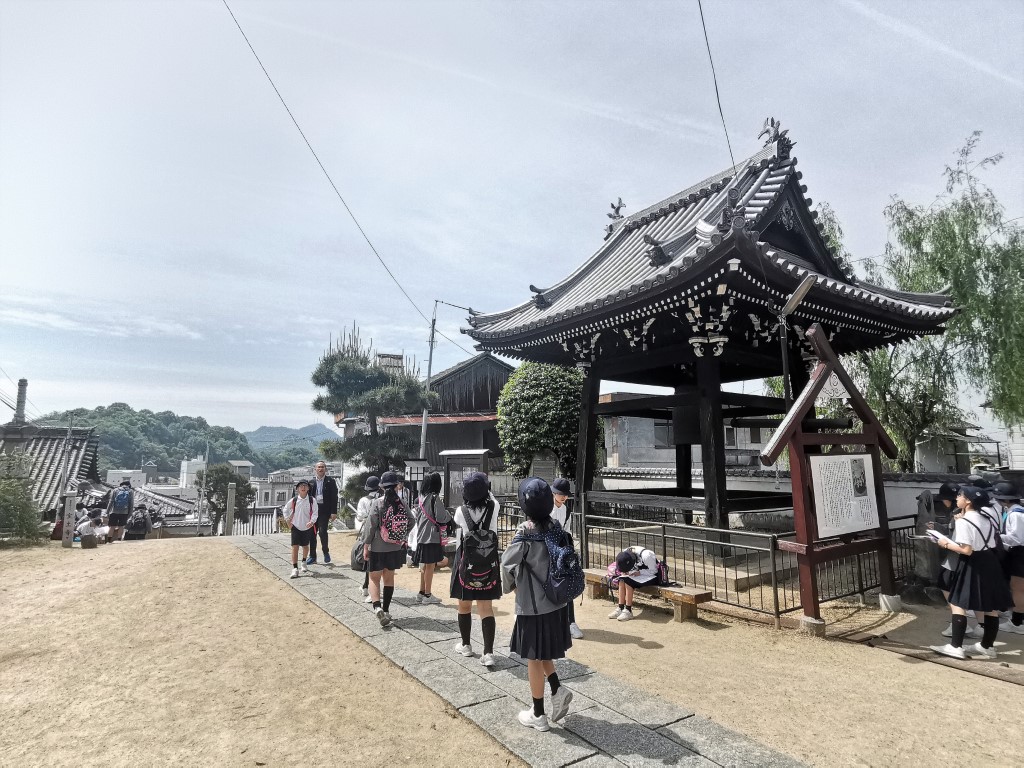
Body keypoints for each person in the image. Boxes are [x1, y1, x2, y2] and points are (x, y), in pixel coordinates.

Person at [501, 477, 574, 732]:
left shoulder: (525, 532)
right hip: (556, 602)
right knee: (542, 651)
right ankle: (557, 688)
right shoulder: (556, 527)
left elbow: (507, 563)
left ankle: (539, 714)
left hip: (532, 604)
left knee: (533, 657)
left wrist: (509, 586)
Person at [929, 486, 1013, 659]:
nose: (957, 497)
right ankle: (987, 646)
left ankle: (956, 646)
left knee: (958, 602)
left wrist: (943, 542)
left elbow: (966, 549)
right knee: (990, 606)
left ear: (968, 501)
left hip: (973, 563)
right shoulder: (986, 518)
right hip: (990, 561)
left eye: (960, 495)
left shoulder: (963, 522)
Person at [450, 471, 502, 666]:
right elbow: (492, 499)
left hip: (466, 563)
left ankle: (466, 645)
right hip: (488, 564)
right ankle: (488, 653)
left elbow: (457, 525)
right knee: (486, 608)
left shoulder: (460, 512)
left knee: (464, 605)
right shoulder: (494, 507)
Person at [929, 482, 982, 640]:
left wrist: (944, 542)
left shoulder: (960, 515)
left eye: (960, 496)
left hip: (956, 558)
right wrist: (940, 527)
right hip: (973, 559)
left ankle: (958, 625)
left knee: (947, 587)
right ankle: (981, 625)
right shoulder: (974, 514)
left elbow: (961, 541)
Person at [363, 471, 412, 628]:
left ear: (382, 487)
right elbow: (412, 520)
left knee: (374, 578)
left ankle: (377, 607)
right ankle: (386, 609)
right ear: (397, 485)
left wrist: (366, 545)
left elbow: (371, 526)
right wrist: (401, 535)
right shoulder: (402, 503)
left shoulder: (377, 503)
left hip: (377, 545)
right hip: (394, 547)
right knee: (389, 579)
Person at [550, 478, 584, 640]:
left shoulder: (566, 511)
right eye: (560, 494)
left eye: (565, 495)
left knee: (566, 585)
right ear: (553, 493)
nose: (563, 497)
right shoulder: (544, 509)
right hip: (546, 552)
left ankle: (570, 622)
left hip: (561, 553)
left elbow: (568, 532)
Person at [412, 472, 451, 604]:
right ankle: (428, 595)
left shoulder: (422, 498)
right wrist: (449, 515)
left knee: (424, 565)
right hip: (432, 536)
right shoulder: (435, 498)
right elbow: (441, 517)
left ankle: (421, 592)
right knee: (430, 566)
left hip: (422, 536)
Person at [994, 482, 1024, 635]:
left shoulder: (1015, 514)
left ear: (1005, 500)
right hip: (1018, 553)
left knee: (1017, 588)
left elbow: (1017, 538)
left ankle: (1017, 622)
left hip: (1020, 553)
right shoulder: (1017, 511)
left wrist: (997, 536)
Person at [608, 546, 660, 622]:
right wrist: (627, 573)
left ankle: (628, 610)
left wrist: (639, 572)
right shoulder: (625, 553)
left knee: (628, 582)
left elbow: (654, 571)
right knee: (622, 579)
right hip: (639, 575)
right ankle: (620, 607)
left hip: (652, 576)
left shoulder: (647, 555)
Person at [306, 460, 340, 565]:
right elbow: (307, 498)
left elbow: (334, 497)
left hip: (324, 510)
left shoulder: (330, 481)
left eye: (322, 467)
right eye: (319, 467)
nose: (320, 469)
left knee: (322, 532)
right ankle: (312, 556)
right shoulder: (311, 482)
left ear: (326, 469)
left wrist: (334, 512)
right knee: (312, 534)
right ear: (315, 469)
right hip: (313, 511)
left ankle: (326, 552)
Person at [284, 480, 318, 579]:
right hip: (295, 526)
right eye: (301, 486)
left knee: (305, 546)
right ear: (297, 489)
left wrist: (312, 521)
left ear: (308, 488)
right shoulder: (294, 500)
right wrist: (288, 521)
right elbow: (285, 509)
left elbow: (315, 512)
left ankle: (304, 561)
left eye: (305, 486)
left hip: (307, 527)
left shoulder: (312, 500)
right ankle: (295, 568)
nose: (303, 488)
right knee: (295, 546)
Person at [355, 476, 380, 600]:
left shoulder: (363, 500)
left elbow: (360, 516)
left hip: (368, 532)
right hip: (381, 533)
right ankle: (366, 586)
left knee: (369, 560)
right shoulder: (382, 499)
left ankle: (368, 589)